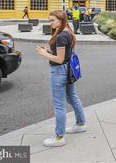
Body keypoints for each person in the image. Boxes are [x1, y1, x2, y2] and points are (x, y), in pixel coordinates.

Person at [35, 10, 86, 147]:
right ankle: (81, 124)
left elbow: (59, 59)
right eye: (49, 20)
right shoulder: (68, 31)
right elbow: (64, 54)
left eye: (52, 20)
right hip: (67, 70)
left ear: (61, 20)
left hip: (59, 71)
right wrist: (50, 51)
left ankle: (59, 137)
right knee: (72, 97)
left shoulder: (61, 36)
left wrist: (44, 53)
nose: (50, 23)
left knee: (59, 104)